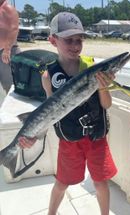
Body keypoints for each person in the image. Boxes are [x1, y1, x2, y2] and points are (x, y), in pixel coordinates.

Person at [18, 12, 117, 215]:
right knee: (62, 183)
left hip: (96, 138)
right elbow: (50, 113)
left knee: (100, 182)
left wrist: (104, 87)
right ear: (53, 40)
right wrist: (33, 136)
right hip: (70, 142)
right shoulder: (48, 76)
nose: (75, 45)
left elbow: (106, 105)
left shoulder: (92, 69)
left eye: (79, 40)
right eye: (68, 40)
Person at [0, 0, 20, 93]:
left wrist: (7, 49)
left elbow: (14, 28)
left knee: (11, 85)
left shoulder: (8, 8)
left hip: (8, 52)